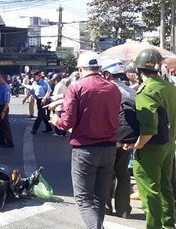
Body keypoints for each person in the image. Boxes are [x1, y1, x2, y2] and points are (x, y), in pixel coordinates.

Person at [51, 51, 121, 229]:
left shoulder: (76, 87)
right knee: (99, 197)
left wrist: (55, 120)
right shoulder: (113, 88)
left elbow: (67, 123)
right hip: (109, 148)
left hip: (85, 149)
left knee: (83, 199)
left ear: (80, 69)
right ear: (99, 68)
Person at [122, 48, 176, 229]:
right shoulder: (168, 86)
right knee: (165, 187)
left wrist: (137, 146)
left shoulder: (146, 91)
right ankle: (168, 225)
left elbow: (148, 129)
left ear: (138, 70)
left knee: (150, 190)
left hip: (151, 148)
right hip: (169, 146)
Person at [100, 59, 135, 219]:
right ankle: (124, 210)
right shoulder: (131, 91)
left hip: (109, 138)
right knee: (122, 173)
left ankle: (106, 207)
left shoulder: (106, 90)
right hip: (128, 138)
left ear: (107, 74)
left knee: (107, 172)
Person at [23, 70, 53, 134]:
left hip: (44, 101)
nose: (33, 77)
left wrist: (44, 98)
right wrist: (25, 98)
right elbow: (31, 92)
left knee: (39, 116)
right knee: (43, 115)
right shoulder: (34, 83)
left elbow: (48, 91)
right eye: (32, 76)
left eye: (34, 76)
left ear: (38, 76)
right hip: (38, 101)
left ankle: (34, 129)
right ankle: (49, 127)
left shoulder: (44, 82)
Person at [0, 72, 13, 148]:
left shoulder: (5, 87)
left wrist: (4, 111)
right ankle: (1, 140)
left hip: (3, 107)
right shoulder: (0, 86)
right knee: (0, 125)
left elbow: (6, 101)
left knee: (5, 125)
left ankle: (9, 142)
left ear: (2, 78)